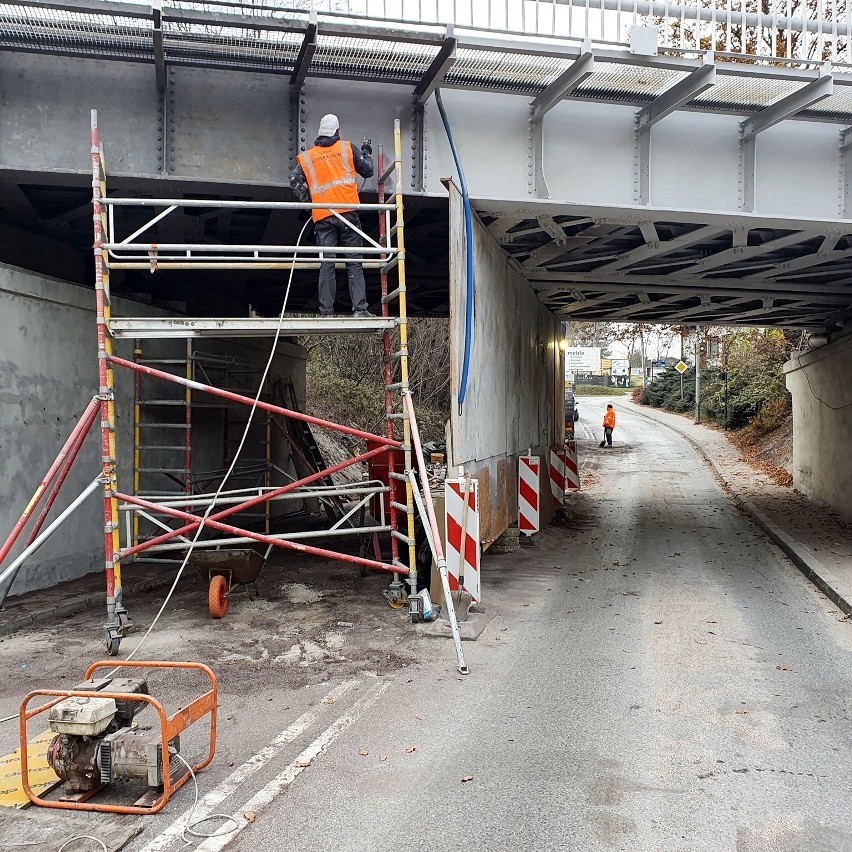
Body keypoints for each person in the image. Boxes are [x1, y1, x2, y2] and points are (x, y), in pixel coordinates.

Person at [290, 114, 375, 317]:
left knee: (326, 263)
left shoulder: (308, 157)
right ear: (337, 131)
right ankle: (360, 309)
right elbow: (368, 171)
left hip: (323, 217)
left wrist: (310, 204)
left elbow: (294, 182)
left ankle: (326, 311)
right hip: (348, 215)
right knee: (354, 261)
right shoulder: (347, 148)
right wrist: (366, 153)